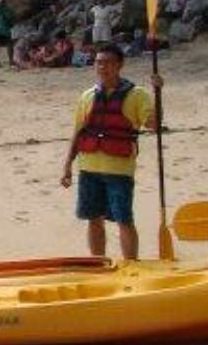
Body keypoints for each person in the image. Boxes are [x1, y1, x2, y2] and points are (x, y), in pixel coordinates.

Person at [59, 43, 160, 260]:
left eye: (108, 63)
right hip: (88, 168)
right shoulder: (87, 96)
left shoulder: (137, 95)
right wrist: (67, 165)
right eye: (98, 62)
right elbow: (78, 132)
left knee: (124, 219)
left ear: (119, 65)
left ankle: (131, 266)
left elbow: (154, 125)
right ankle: (99, 263)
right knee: (93, 218)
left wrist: (157, 93)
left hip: (119, 169)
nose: (102, 67)